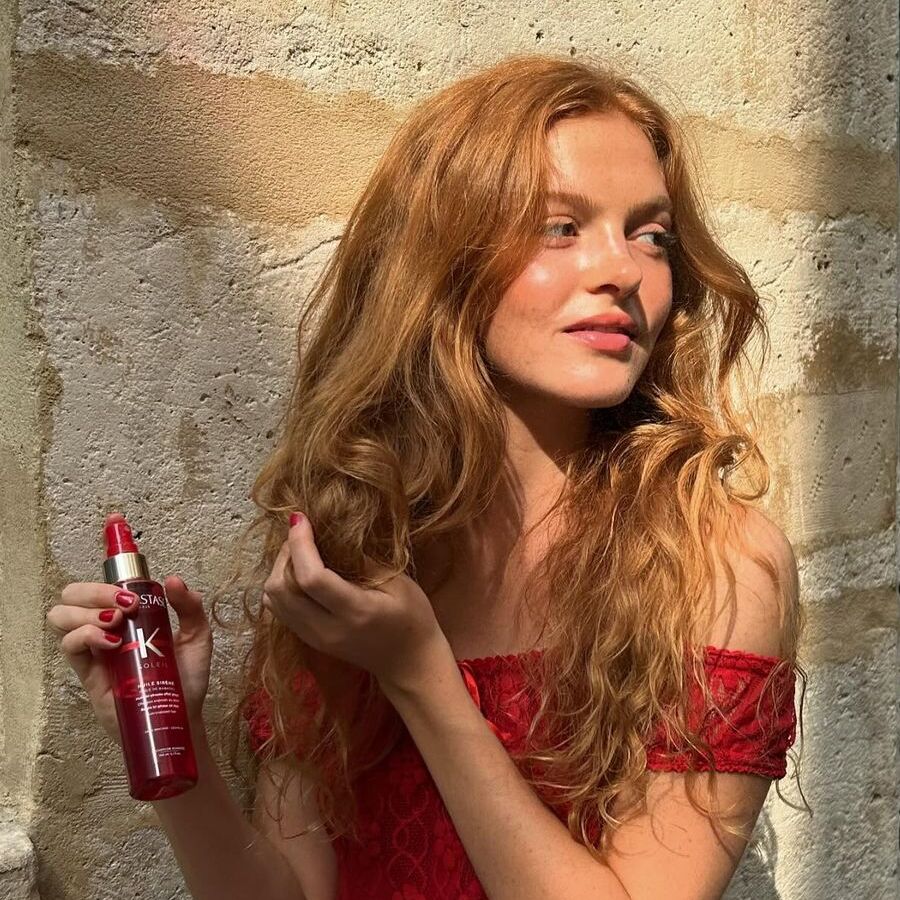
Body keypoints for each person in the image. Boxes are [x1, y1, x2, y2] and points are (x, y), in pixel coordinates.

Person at [48, 52, 807, 900]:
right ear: (443, 260)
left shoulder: (710, 562)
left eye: (651, 235)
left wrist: (418, 674)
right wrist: (170, 739)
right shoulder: (359, 543)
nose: (624, 272)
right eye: (560, 228)